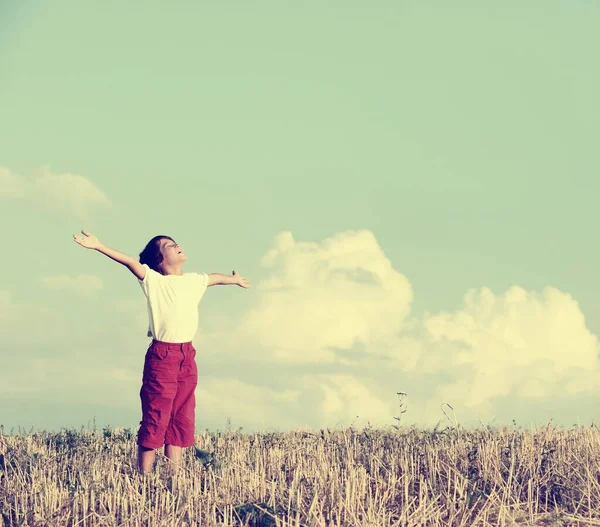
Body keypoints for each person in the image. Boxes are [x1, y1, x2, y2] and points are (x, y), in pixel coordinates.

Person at [72, 229, 250, 475]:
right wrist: (99, 246)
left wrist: (234, 280)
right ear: (159, 261)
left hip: (187, 356)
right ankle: (144, 476)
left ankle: (173, 475)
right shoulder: (154, 281)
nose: (176, 245)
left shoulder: (194, 280)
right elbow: (130, 262)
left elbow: (214, 278)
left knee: (181, 416)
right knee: (156, 415)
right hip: (162, 356)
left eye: (176, 242)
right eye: (168, 245)